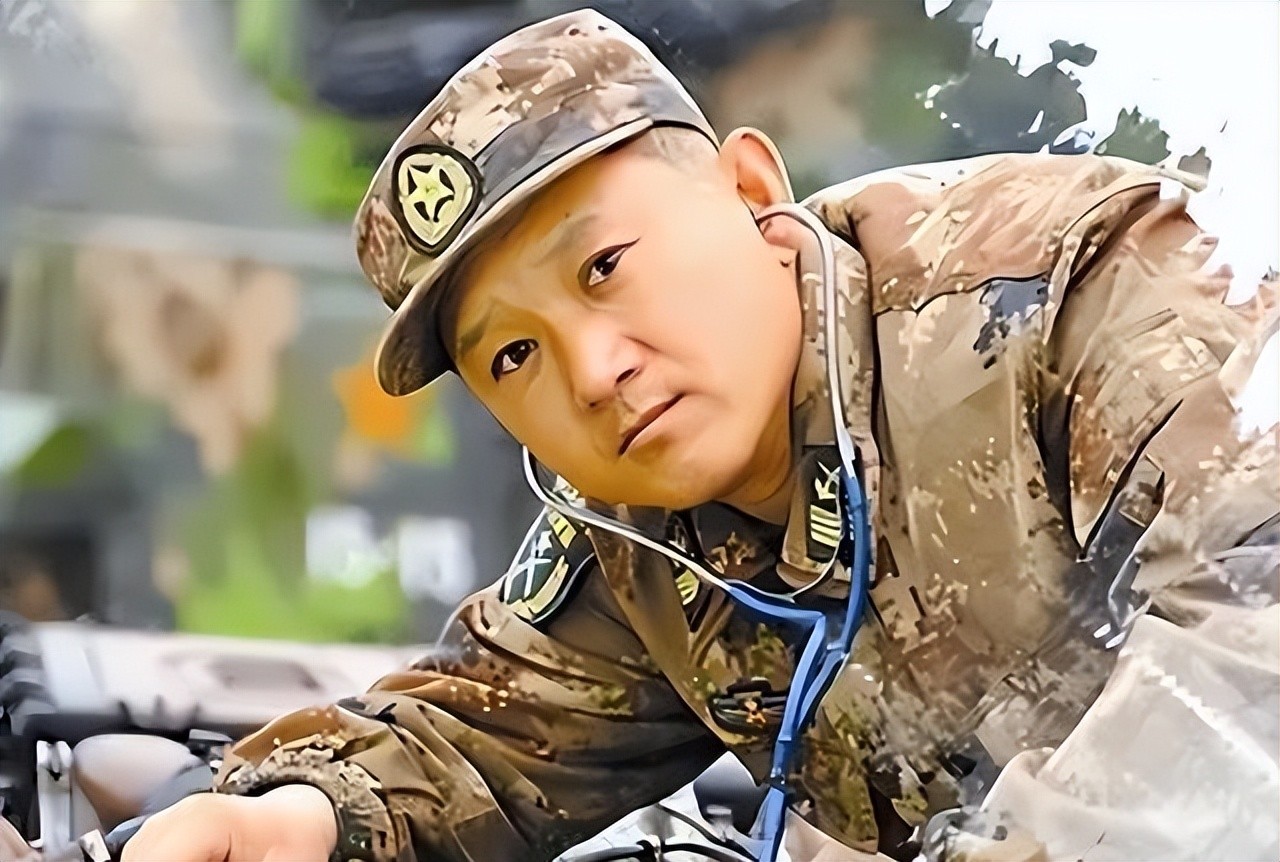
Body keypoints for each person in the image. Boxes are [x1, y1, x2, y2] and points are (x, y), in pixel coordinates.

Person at [122, 9, 1278, 862]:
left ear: (749, 188)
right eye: (512, 355)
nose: (593, 371)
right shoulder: (645, 535)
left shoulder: (1072, 286)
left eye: (603, 266)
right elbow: (484, 732)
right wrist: (296, 817)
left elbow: (1249, 653)